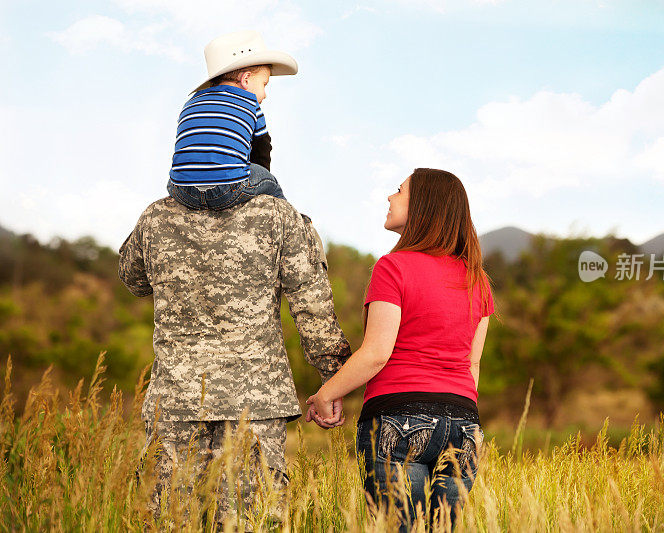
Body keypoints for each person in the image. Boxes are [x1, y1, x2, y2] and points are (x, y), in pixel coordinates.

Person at [118, 193, 350, 529]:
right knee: (248, 522)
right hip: (254, 405)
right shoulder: (279, 215)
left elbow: (132, 278)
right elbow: (312, 309)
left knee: (169, 522)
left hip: (175, 402)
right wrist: (335, 380)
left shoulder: (157, 215)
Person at [306, 168, 494, 531]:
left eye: (399, 191)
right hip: (464, 425)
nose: (390, 198)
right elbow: (473, 365)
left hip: (399, 417)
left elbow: (377, 352)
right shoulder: (477, 279)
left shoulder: (393, 267)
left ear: (424, 205)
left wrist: (326, 393)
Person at [167, 30, 298, 210]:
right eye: (264, 84)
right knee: (269, 181)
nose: (265, 94)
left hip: (182, 192)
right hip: (227, 191)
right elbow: (262, 150)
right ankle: (289, 217)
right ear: (246, 79)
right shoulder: (250, 103)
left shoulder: (191, 102)